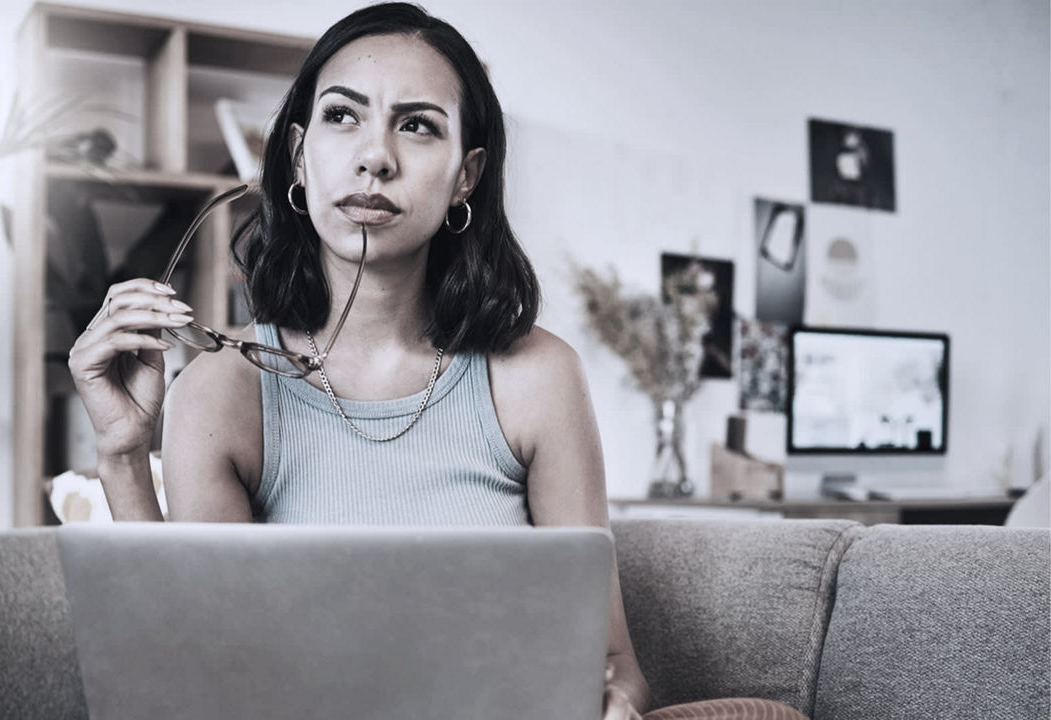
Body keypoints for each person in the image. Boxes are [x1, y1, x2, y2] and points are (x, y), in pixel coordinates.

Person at [68, 5, 807, 719]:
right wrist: (124, 455)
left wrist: (612, 702)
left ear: (466, 175)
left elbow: (616, 664)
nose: (375, 157)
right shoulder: (223, 392)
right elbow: (202, 678)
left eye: (417, 125)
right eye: (342, 116)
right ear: (299, 155)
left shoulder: (537, 378)